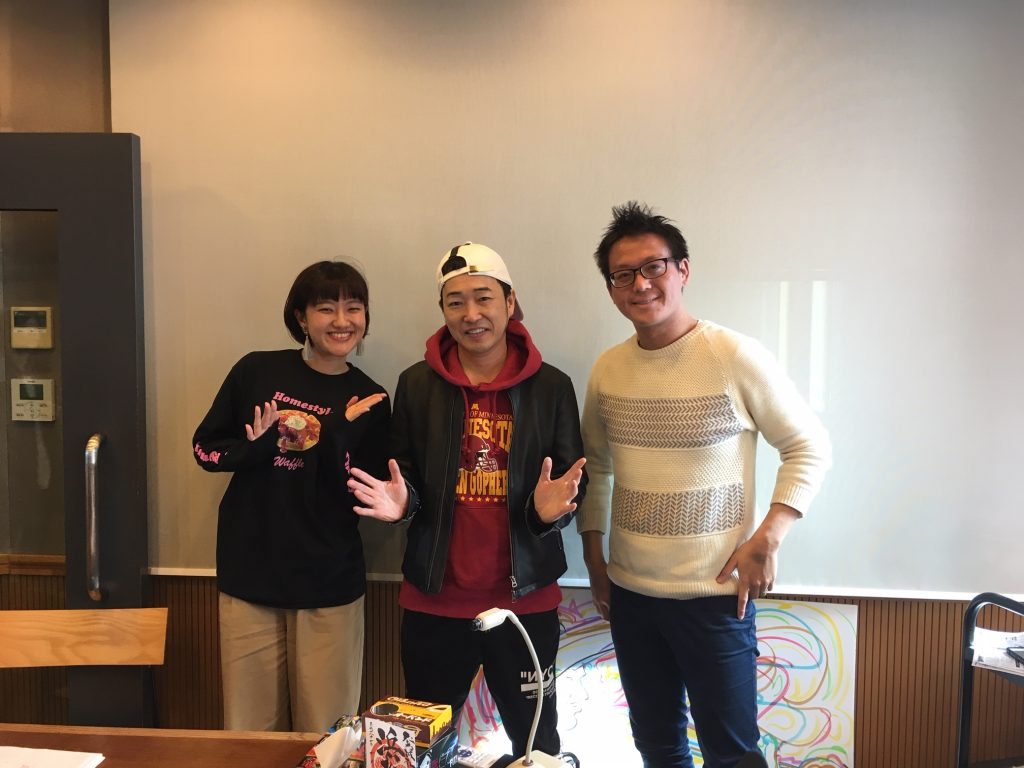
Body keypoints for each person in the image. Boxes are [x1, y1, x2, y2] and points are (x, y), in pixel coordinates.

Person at [577, 202, 831, 768]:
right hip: (632, 596)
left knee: (731, 754)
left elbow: (808, 445)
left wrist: (768, 537)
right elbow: (597, 467)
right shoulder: (607, 370)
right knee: (657, 746)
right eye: (623, 275)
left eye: (654, 267)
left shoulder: (733, 355)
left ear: (683, 270)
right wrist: (595, 562)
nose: (641, 284)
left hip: (715, 598)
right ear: (611, 289)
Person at [348, 242, 587, 761]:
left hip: (524, 602)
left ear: (509, 302)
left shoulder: (551, 386)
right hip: (435, 598)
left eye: (483, 298)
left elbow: (574, 480)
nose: (471, 314)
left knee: (537, 744)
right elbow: (404, 476)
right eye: (455, 302)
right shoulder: (416, 384)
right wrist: (402, 503)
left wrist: (547, 513)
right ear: (443, 310)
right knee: (424, 746)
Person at [192, 260, 389, 733]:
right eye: (325, 308)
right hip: (250, 575)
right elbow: (205, 449)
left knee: (326, 736)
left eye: (353, 308)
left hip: (329, 581)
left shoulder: (371, 399)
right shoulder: (257, 371)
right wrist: (256, 448)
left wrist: (338, 436)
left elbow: (366, 494)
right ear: (301, 317)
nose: (341, 321)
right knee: (249, 733)